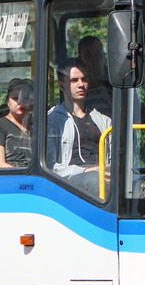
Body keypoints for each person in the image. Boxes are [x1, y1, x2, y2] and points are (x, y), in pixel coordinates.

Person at [47, 59, 111, 194]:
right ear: (61, 86)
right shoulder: (52, 121)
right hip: (70, 179)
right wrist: (85, 170)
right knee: (96, 182)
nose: (81, 85)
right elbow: (49, 165)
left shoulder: (103, 120)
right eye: (74, 80)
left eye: (84, 79)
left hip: (102, 173)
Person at [0, 78, 34, 168]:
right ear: (8, 101)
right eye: (15, 98)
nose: (20, 102)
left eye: (25, 98)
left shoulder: (38, 126)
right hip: (10, 178)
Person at [77, 35, 112, 117]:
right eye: (88, 56)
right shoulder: (76, 88)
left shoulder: (116, 85)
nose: (94, 61)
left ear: (104, 57)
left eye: (97, 55)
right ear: (80, 59)